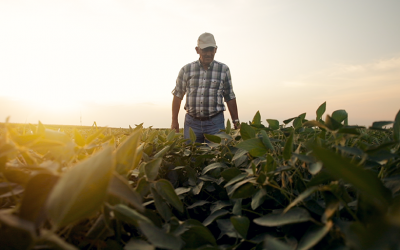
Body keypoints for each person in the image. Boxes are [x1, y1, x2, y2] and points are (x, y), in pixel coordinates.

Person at [171, 32, 240, 143]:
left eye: (211, 50)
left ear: (215, 50)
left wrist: (235, 121)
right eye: (205, 50)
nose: (208, 53)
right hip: (192, 123)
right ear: (197, 50)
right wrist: (174, 120)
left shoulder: (223, 69)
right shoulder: (186, 69)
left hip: (215, 122)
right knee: (191, 157)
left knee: (216, 157)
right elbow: (178, 95)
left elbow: (229, 96)